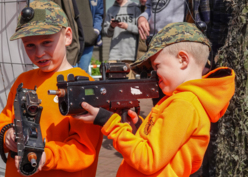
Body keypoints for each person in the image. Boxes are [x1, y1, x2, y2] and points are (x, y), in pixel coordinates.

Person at [74, 22, 235, 176]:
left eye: (157, 66)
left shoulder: (184, 104)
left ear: (183, 60)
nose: (154, 73)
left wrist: (107, 121)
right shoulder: (182, 100)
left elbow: (148, 159)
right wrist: (138, 128)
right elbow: (159, 149)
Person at [0, 1, 103, 177]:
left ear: (67, 36)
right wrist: (7, 135)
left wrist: (45, 156)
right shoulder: (22, 81)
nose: (39, 53)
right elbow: (0, 124)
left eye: (47, 42)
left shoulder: (84, 86)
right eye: (30, 45)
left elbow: (83, 149)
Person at [103, 0, 141, 79]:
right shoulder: (110, 10)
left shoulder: (135, 7)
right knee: (113, 85)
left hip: (130, 55)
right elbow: (107, 34)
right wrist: (112, 26)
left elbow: (141, 30)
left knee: (130, 87)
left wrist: (127, 26)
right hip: (114, 54)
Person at [75, 0, 104, 73]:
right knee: (70, 73)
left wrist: (96, 31)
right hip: (70, 40)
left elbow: (99, 14)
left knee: (83, 74)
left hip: (88, 39)